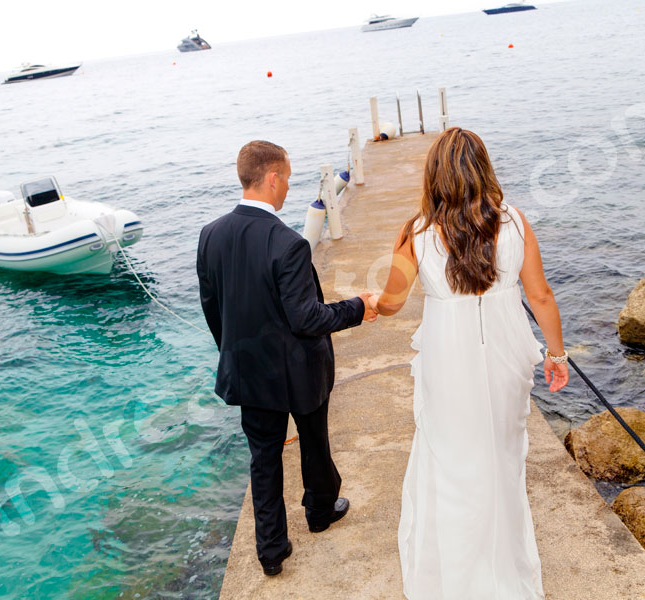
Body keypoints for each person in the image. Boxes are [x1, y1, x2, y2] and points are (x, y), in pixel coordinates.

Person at [368, 128, 569, 599]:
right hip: (507, 352)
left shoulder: (416, 231)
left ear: (434, 174)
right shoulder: (515, 222)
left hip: (447, 356)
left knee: (454, 460)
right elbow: (539, 295)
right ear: (484, 167)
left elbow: (394, 302)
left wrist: (371, 300)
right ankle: (503, 571)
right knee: (502, 458)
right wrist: (557, 354)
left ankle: (457, 578)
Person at [196, 140, 377, 576]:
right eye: (288, 178)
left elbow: (211, 306)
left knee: (263, 459)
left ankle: (272, 550)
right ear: (272, 177)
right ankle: (319, 512)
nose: (289, 187)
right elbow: (307, 318)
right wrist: (358, 306)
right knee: (314, 443)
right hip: (299, 371)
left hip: (249, 372)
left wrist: (236, 354)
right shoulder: (288, 243)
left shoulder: (211, 234)